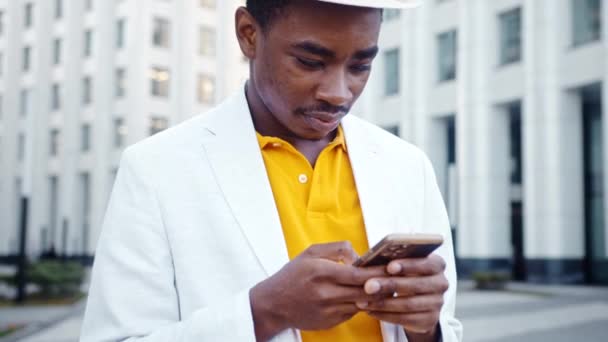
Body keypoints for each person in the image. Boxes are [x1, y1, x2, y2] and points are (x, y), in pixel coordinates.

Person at [80, 0, 463, 341]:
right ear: (248, 34)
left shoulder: (408, 165)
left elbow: (446, 327)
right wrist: (263, 312)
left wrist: (426, 329)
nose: (339, 92)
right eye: (310, 62)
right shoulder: (157, 169)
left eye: (360, 65)